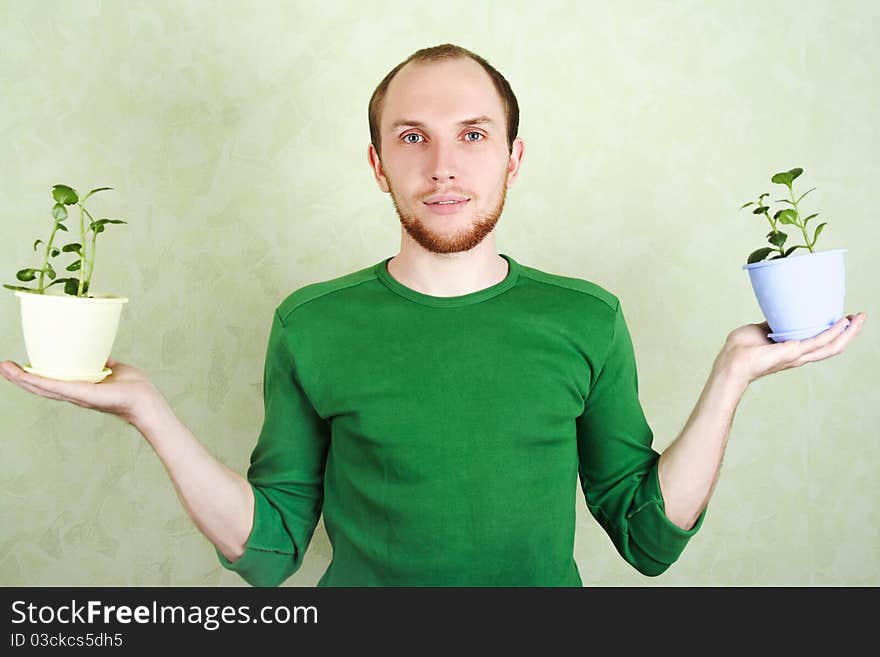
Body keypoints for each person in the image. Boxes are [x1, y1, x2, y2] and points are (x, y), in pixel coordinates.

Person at [0, 44, 866, 587]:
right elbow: (269, 552)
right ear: (378, 164)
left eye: (473, 134)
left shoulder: (587, 319)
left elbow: (647, 537)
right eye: (412, 137)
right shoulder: (311, 324)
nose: (444, 165)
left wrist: (732, 376)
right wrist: (148, 409)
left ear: (513, 158)